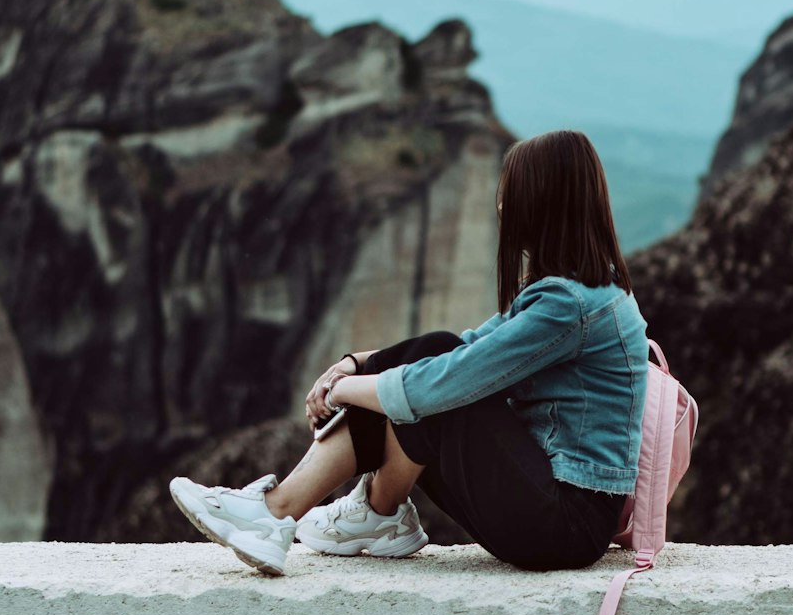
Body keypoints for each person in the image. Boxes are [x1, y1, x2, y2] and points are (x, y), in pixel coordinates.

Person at [169, 129, 650, 576]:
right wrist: (358, 362)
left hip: (565, 525)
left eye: (511, 191)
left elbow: (447, 379)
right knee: (436, 359)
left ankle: (293, 513)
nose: (502, 205)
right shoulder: (582, 292)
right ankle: (355, 513)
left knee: (435, 382)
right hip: (557, 511)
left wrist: (346, 388)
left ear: (541, 203)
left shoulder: (570, 305)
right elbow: (470, 349)